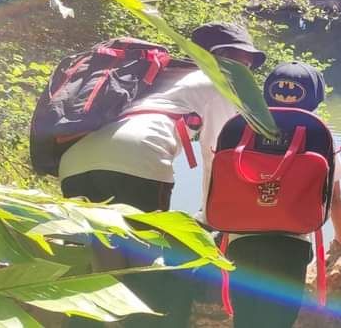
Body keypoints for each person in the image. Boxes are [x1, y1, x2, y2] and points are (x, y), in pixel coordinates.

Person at [58, 22, 265, 328]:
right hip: (136, 161)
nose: (246, 67)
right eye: (240, 58)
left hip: (74, 164)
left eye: (249, 61)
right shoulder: (219, 82)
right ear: (218, 58)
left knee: (102, 271)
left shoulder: (159, 78)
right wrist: (211, 219)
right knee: (147, 271)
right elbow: (217, 157)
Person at [224, 61, 341, 328]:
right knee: (278, 320)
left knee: (245, 318)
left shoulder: (244, 124)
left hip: (241, 237)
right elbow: (334, 197)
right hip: (291, 242)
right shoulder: (316, 132)